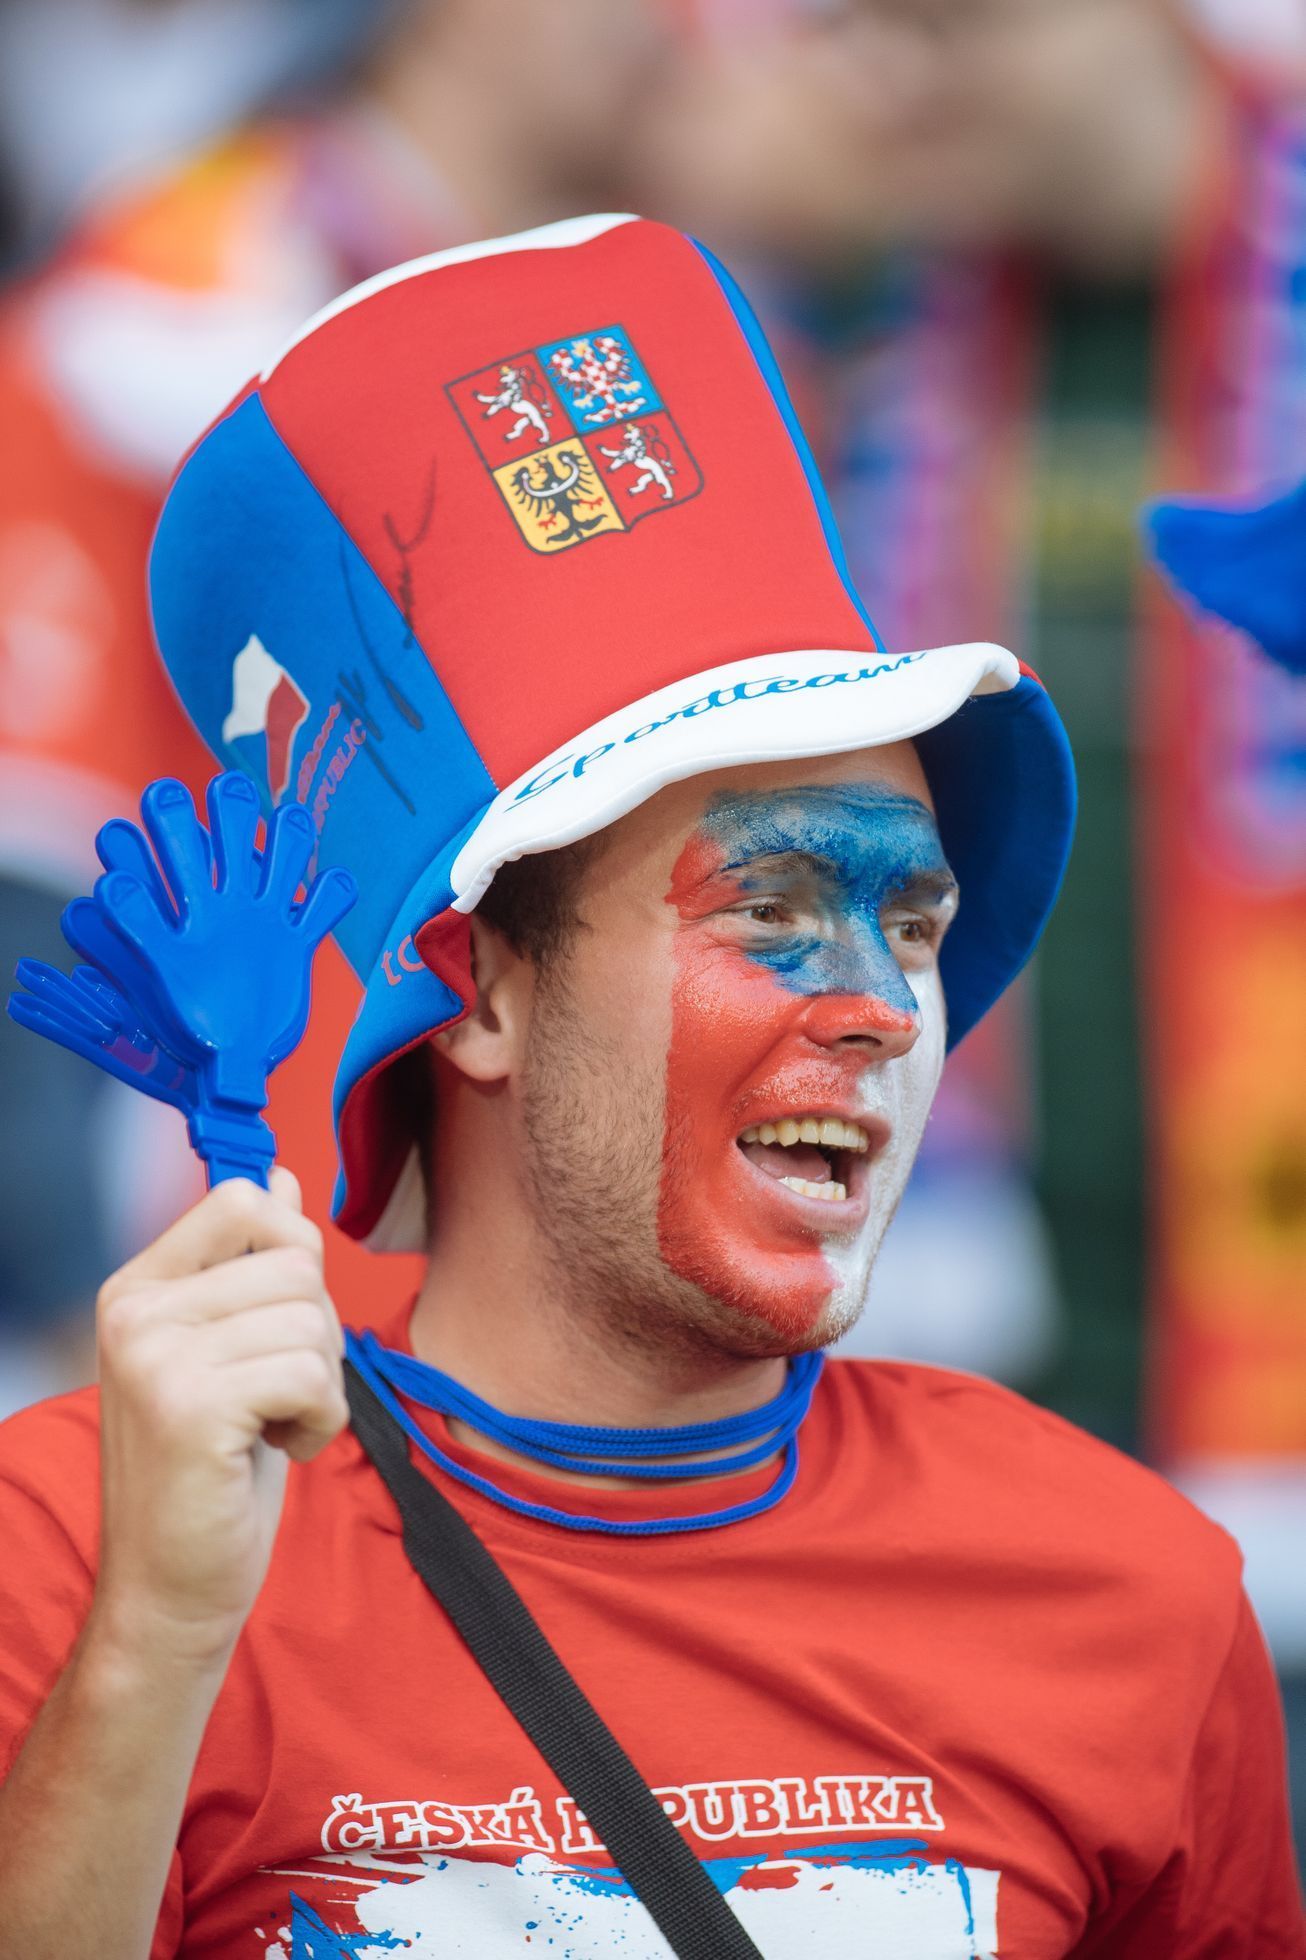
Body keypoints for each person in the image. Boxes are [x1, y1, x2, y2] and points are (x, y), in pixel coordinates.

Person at [0, 216, 1301, 1957]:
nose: (880, 1012)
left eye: (909, 923)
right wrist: (163, 1633)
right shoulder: (78, 1547)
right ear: (474, 996)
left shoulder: (1122, 1586)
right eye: (765, 909)